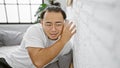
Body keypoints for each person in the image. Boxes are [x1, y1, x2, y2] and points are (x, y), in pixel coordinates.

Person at [0, 5, 76, 68]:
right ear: (42, 23)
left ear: (65, 23)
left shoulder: (67, 46)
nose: (53, 29)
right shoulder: (35, 30)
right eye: (48, 24)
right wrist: (63, 40)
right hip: (7, 65)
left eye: (58, 24)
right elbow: (38, 62)